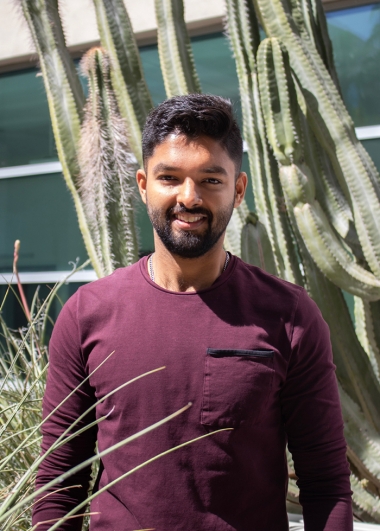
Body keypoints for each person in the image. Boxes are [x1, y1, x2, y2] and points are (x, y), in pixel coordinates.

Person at [32, 94, 353, 531]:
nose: (189, 196)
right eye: (170, 177)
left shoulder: (290, 316)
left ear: (237, 190)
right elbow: (59, 483)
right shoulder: (88, 314)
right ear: (144, 185)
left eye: (210, 179)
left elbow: (326, 484)